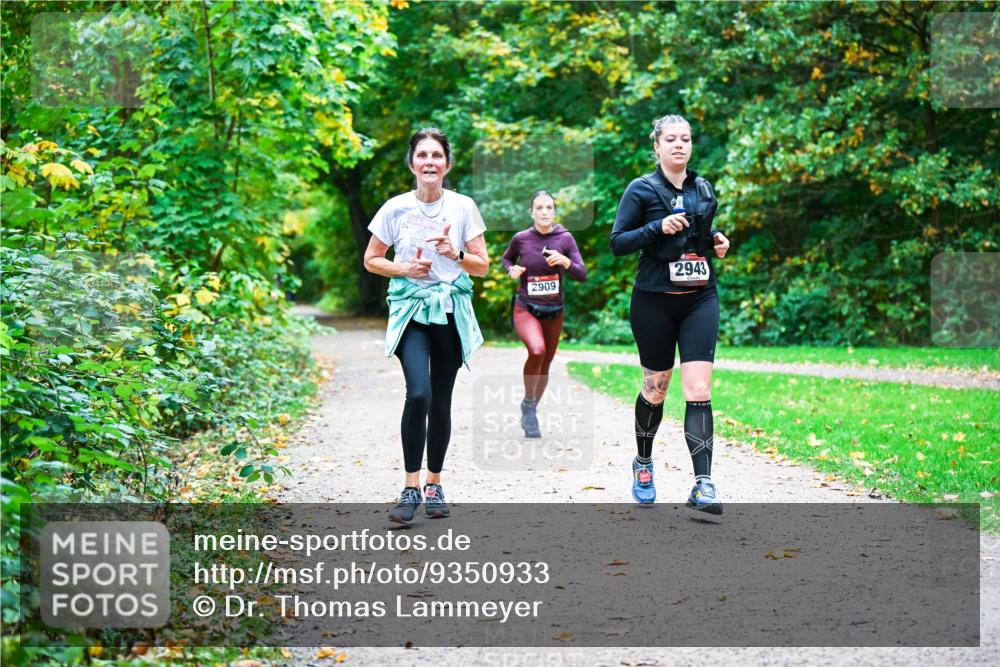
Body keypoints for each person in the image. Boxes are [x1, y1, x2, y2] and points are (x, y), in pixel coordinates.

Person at [363, 128, 489, 525]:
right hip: (411, 311)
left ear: (447, 165)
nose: (429, 162)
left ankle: (434, 483)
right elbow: (371, 259)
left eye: (436, 155)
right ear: (412, 163)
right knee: (418, 393)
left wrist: (456, 253)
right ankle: (410, 488)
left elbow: (482, 265)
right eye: (422, 155)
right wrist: (404, 268)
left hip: (450, 311)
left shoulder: (463, 207)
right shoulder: (395, 208)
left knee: (440, 400)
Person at [609, 114, 731, 513]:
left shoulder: (703, 187)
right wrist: (657, 228)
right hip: (654, 300)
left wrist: (717, 241)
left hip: (700, 297)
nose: (679, 145)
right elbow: (618, 242)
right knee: (656, 388)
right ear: (657, 146)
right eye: (671, 140)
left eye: (686, 139)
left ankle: (703, 483)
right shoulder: (641, 189)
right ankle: (643, 462)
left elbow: (702, 235)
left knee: (698, 389)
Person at [502, 191, 587, 437]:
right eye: (539, 208)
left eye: (549, 207)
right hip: (526, 307)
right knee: (537, 350)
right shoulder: (521, 239)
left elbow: (582, 274)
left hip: (554, 310)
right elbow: (507, 259)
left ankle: (529, 408)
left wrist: (565, 261)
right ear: (532, 212)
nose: (544, 212)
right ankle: (529, 403)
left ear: (555, 211)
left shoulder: (565, 238)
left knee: (546, 362)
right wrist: (511, 270)